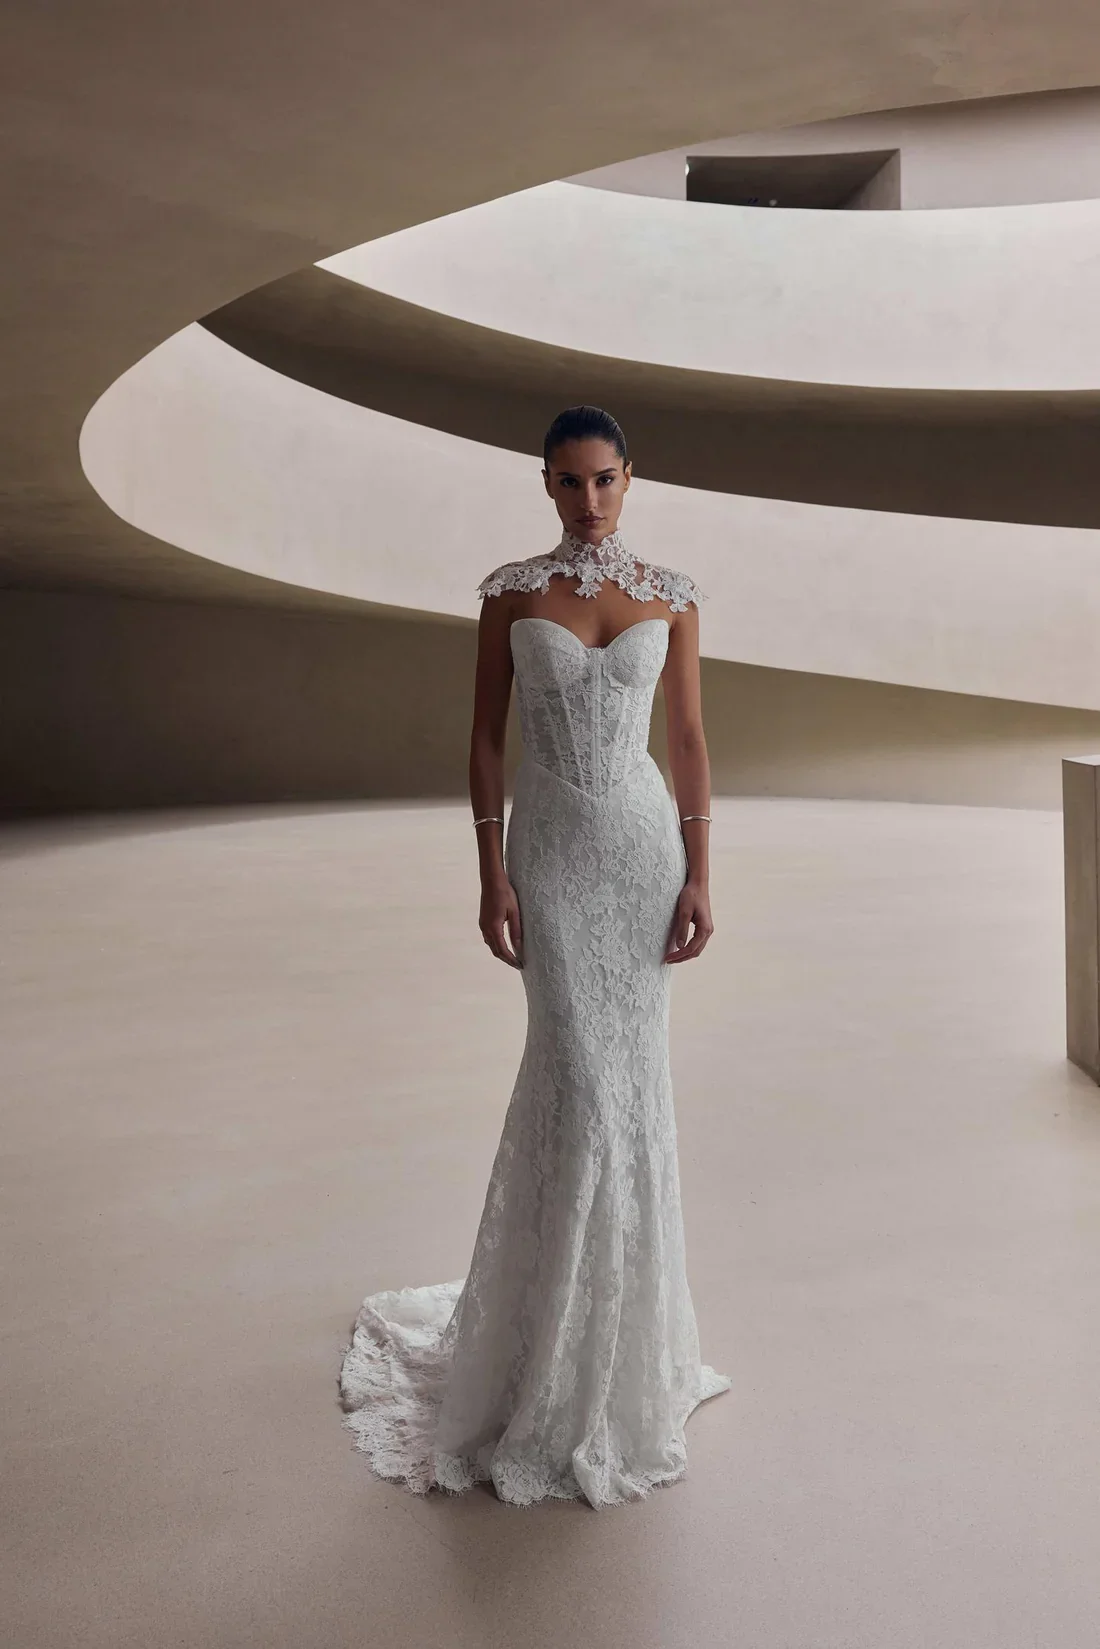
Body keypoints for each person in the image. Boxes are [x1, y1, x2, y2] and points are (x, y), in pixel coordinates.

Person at [339, 405, 730, 1508]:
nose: (588, 499)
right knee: (576, 1082)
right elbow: (481, 735)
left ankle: (618, 1355)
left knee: (629, 1091)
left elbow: (690, 740)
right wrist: (487, 871)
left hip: (641, 851)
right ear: (544, 483)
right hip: (551, 857)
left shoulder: (672, 592)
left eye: (604, 479)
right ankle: (538, 1360)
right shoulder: (509, 592)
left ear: (628, 477)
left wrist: (701, 873)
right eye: (568, 481)